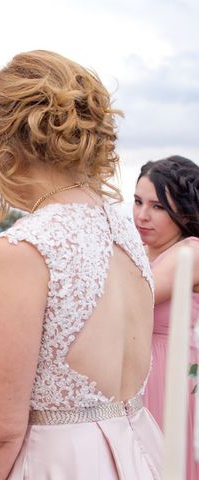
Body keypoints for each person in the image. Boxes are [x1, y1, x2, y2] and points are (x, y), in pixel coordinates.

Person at [0, 50, 162, 479]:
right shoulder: (126, 233)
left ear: (4, 147)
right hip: (138, 452)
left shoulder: (24, 248)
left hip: (59, 464)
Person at [134, 155, 199, 480]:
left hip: (173, 377)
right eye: (137, 202)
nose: (142, 216)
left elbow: (135, 296)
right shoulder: (139, 252)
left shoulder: (192, 250)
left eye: (158, 206)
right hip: (136, 377)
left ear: (185, 210)